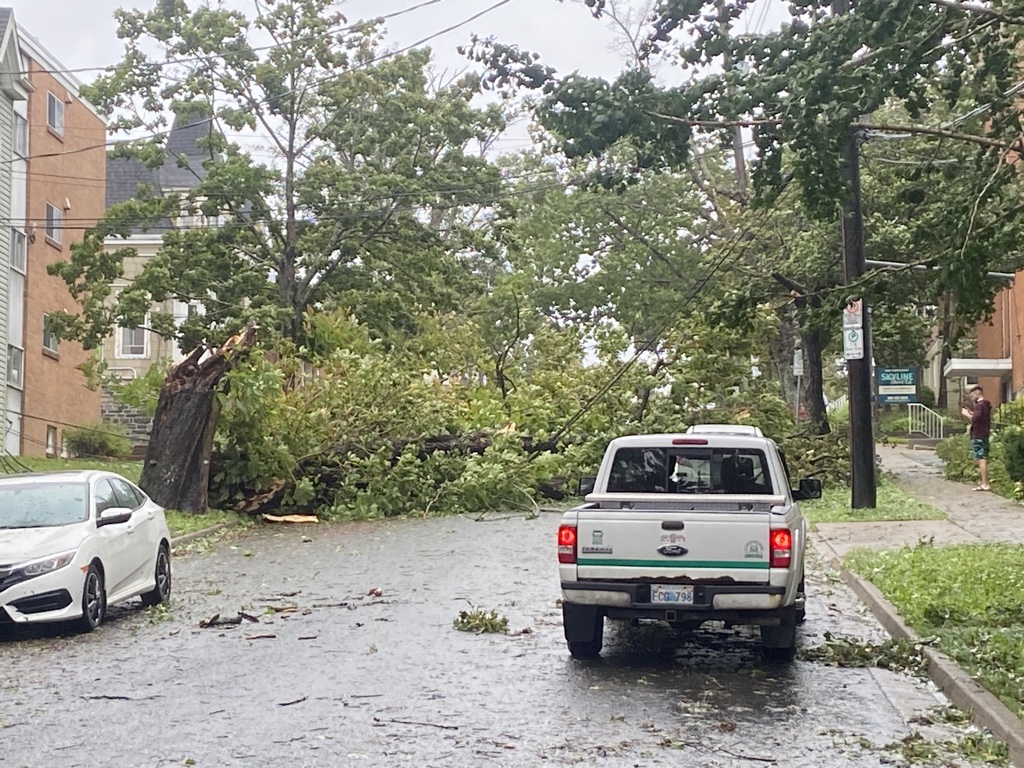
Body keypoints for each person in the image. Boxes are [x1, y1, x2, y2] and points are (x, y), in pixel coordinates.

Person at [961, 385, 993, 491]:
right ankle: (984, 482)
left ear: (977, 394)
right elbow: (979, 417)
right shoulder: (985, 405)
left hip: (978, 434)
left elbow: (975, 419)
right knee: (982, 457)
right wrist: (972, 412)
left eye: (972, 395)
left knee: (981, 458)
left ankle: (985, 483)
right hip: (984, 434)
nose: (971, 398)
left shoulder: (980, 405)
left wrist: (966, 414)